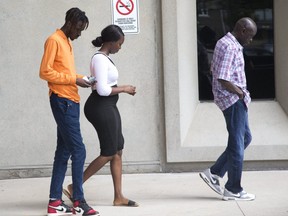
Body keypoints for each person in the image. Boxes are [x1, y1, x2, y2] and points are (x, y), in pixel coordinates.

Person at [63, 24, 138, 207]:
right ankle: (74, 186)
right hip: (100, 106)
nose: (120, 47)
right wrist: (125, 89)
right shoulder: (100, 59)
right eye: (119, 44)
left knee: (118, 149)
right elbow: (103, 90)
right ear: (111, 42)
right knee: (109, 152)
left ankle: (118, 197)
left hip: (109, 106)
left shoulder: (105, 58)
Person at [39, 7, 99, 216]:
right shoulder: (54, 40)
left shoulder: (66, 42)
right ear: (71, 23)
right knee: (79, 150)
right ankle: (78, 202)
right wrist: (74, 79)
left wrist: (81, 78)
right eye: (79, 29)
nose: (80, 34)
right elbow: (45, 72)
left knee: (63, 152)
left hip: (70, 100)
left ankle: (55, 202)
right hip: (62, 101)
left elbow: (64, 73)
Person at [199, 17, 257, 201]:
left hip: (232, 99)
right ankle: (233, 188)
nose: (251, 40)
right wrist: (239, 93)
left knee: (244, 138)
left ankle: (214, 172)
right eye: (250, 36)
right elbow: (223, 78)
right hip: (232, 100)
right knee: (238, 145)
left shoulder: (224, 42)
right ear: (242, 31)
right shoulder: (231, 46)